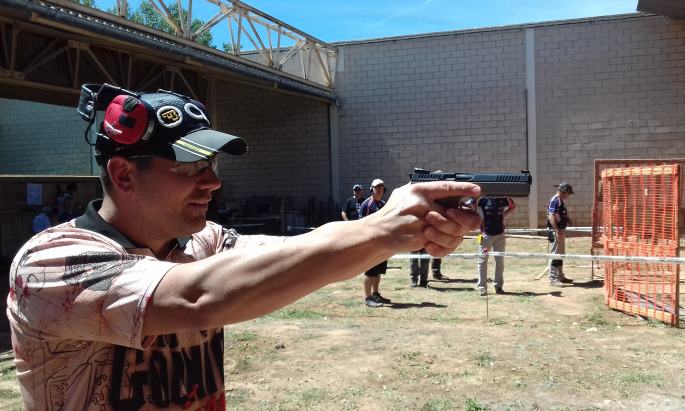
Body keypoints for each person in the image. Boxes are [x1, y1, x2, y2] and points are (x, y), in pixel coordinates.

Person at [7, 83, 481, 409]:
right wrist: (382, 229)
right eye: (190, 167)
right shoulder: (51, 263)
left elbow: (303, 250)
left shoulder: (205, 241)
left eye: (211, 165)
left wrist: (410, 228)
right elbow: (197, 297)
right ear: (123, 174)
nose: (212, 182)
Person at [359, 178, 391, 307]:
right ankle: (367, 298)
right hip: (370, 245)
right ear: (371, 189)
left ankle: (376, 294)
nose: (379, 189)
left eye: (381, 187)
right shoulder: (366, 205)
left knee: (378, 271)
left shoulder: (384, 204)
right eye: (377, 187)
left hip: (382, 245)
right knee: (369, 272)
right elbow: (361, 225)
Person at [475, 196, 516, 295]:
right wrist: (478, 220)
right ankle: (482, 287)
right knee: (482, 260)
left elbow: (513, 206)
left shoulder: (504, 198)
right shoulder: (481, 199)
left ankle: (498, 286)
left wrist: (503, 216)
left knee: (500, 260)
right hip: (485, 235)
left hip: (500, 234)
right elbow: (470, 207)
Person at [547, 182, 574, 286]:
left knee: (560, 254)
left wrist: (568, 219)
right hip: (556, 231)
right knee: (555, 254)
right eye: (568, 193)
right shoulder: (555, 200)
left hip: (560, 230)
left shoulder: (559, 201)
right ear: (564, 191)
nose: (569, 195)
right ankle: (553, 278)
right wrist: (557, 230)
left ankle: (560, 276)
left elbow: (560, 214)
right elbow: (551, 216)